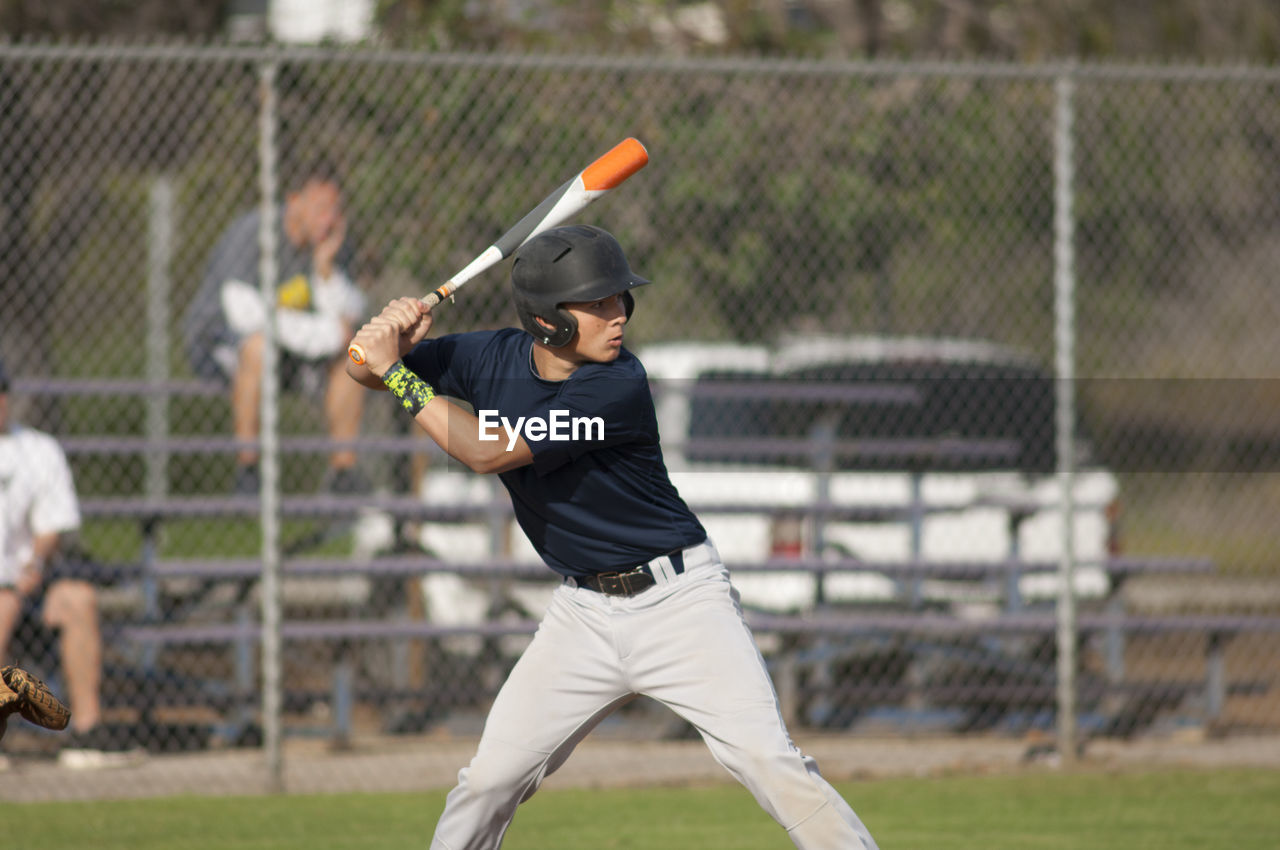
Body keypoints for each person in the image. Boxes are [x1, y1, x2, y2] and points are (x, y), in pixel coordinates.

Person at [345, 225, 878, 849]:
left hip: (680, 605)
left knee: (770, 764)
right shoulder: (488, 358)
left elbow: (486, 451)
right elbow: (365, 372)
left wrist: (398, 374)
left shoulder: (616, 384)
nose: (617, 314)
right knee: (488, 781)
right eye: (596, 303)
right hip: (582, 616)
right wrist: (387, 345)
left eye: (619, 299)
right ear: (547, 321)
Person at [183, 157, 369, 495]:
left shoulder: (332, 244)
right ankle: (248, 471)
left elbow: (352, 313)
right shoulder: (253, 233)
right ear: (294, 202)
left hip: (288, 350)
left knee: (353, 358)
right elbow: (245, 315)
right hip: (219, 343)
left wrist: (325, 270)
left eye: (335, 210)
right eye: (321, 208)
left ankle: (343, 474)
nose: (329, 220)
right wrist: (326, 335)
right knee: (258, 347)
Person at [0, 358, 138, 769]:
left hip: (27, 583)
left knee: (78, 598)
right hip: (6, 592)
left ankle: (87, 734)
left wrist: (33, 566)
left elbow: (50, 527)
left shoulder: (37, 449)